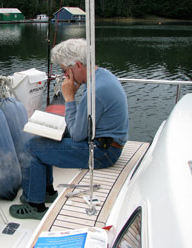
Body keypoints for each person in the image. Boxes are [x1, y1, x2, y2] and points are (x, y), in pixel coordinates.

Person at [9, 38, 129, 220]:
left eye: (65, 70)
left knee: (32, 147)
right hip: (105, 142)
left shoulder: (95, 91)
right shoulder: (102, 76)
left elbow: (77, 134)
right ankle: (46, 190)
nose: (65, 76)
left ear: (78, 65)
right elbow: (81, 127)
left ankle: (35, 204)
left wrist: (69, 97)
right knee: (42, 137)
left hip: (103, 153)